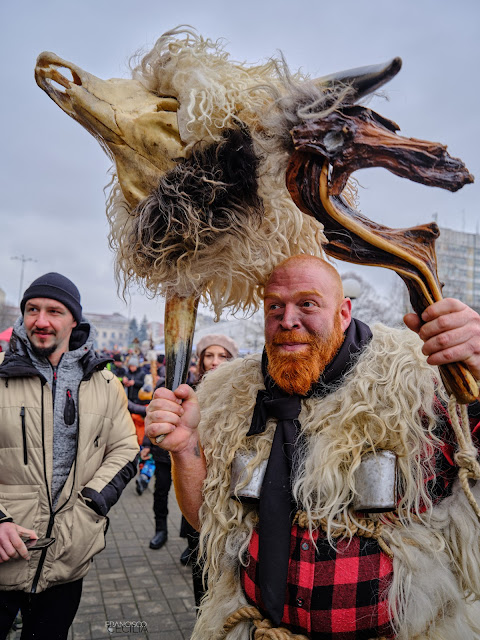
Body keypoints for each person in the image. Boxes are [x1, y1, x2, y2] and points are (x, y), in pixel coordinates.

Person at [145, 255, 480, 639]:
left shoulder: (416, 381)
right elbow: (205, 520)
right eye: (275, 306)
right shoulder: (228, 397)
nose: (288, 320)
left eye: (307, 303)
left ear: (343, 313)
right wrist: (185, 448)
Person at [0, 272, 139, 640]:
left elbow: (126, 448)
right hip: (4, 550)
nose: (41, 321)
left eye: (54, 311)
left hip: (67, 554)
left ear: (74, 320)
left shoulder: (104, 381)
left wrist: (91, 503)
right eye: (32, 309)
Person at [179, 334, 239, 606]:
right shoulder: (187, 391)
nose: (215, 362)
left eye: (223, 356)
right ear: (200, 359)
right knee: (200, 556)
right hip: (195, 485)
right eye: (209, 355)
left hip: (229, 492)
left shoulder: (242, 392)